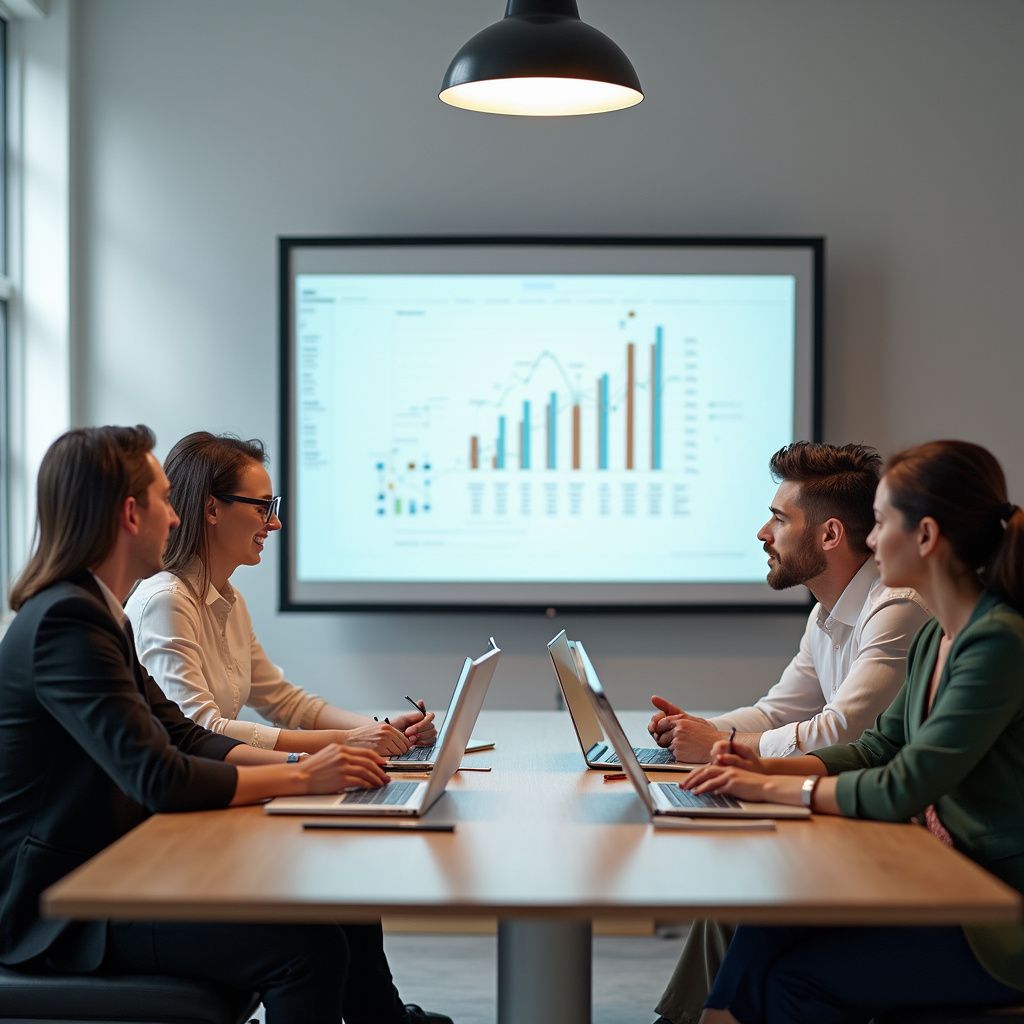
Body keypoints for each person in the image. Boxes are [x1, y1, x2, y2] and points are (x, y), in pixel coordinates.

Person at [0, 425, 450, 1024]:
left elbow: (185, 734)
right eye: (164, 501)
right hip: (59, 904)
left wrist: (313, 764)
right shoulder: (67, 624)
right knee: (307, 951)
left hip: (105, 869)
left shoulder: (96, 615)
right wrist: (302, 774)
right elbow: (160, 777)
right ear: (130, 514)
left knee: (329, 899)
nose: (175, 518)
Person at [680, 439, 1024, 1023]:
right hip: (941, 875)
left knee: (794, 981)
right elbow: (876, 746)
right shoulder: (936, 637)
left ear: (926, 536)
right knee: (769, 916)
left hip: (993, 910)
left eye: (882, 523)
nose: (870, 540)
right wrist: (759, 767)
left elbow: (903, 785)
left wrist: (771, 786)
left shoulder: (996, 642)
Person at [649, 442, 930, 1024]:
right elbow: (777, 712)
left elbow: (842, 729)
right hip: (852, 812)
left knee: (750, 887)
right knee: (736, 892)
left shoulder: (896, 608)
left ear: (829, 535)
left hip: (890, 833)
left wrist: (723, 748)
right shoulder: (826, 612)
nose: (763, 533)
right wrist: (698, 731)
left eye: (779, 519)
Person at [126, 431, 437, 757]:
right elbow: (202, 730)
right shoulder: (166, 601)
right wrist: (347, 740)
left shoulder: (230, 601)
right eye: (263, 507)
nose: (275, 523)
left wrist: (379, 729)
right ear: (212, 510)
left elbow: (285, 701)